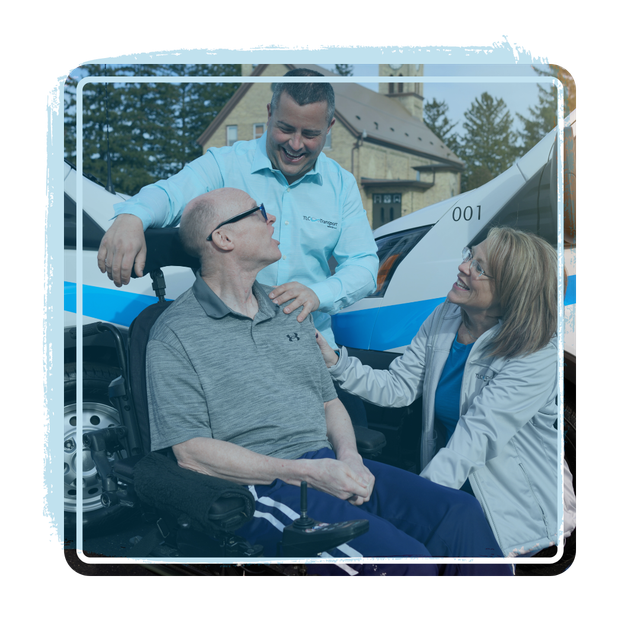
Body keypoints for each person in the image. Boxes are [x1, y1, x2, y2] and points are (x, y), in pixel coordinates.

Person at [145, 187, 513, 577]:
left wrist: (350, 458)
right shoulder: (175, 334)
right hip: (257, 488)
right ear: (224, 237)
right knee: (409, 565)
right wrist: (304, 473)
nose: (272, 219)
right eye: (259, 213)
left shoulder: (288, 308)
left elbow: (328, 403)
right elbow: (191, 453)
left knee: (460, 514)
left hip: (328, 465)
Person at [315, 226, 578, 558]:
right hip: (455, 495)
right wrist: (335, 361)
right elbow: (397, 387)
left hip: (519, 520)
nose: (463, 267)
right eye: (471, 255)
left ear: (511, 292)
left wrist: (416, 504)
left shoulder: (535, 355)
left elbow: (473, 440)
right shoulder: (447, 315)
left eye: (480, 268)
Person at [97, 67, 378, 351]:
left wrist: (317, 294)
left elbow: (364, 265)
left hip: (309, 345)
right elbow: (169, 195)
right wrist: (131, 216)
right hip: (230, 347)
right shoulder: (225, 164)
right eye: (285, 128)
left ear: (329, 127)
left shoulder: (341, 184)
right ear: (269, 113)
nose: (295, 144)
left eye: (310, 134)